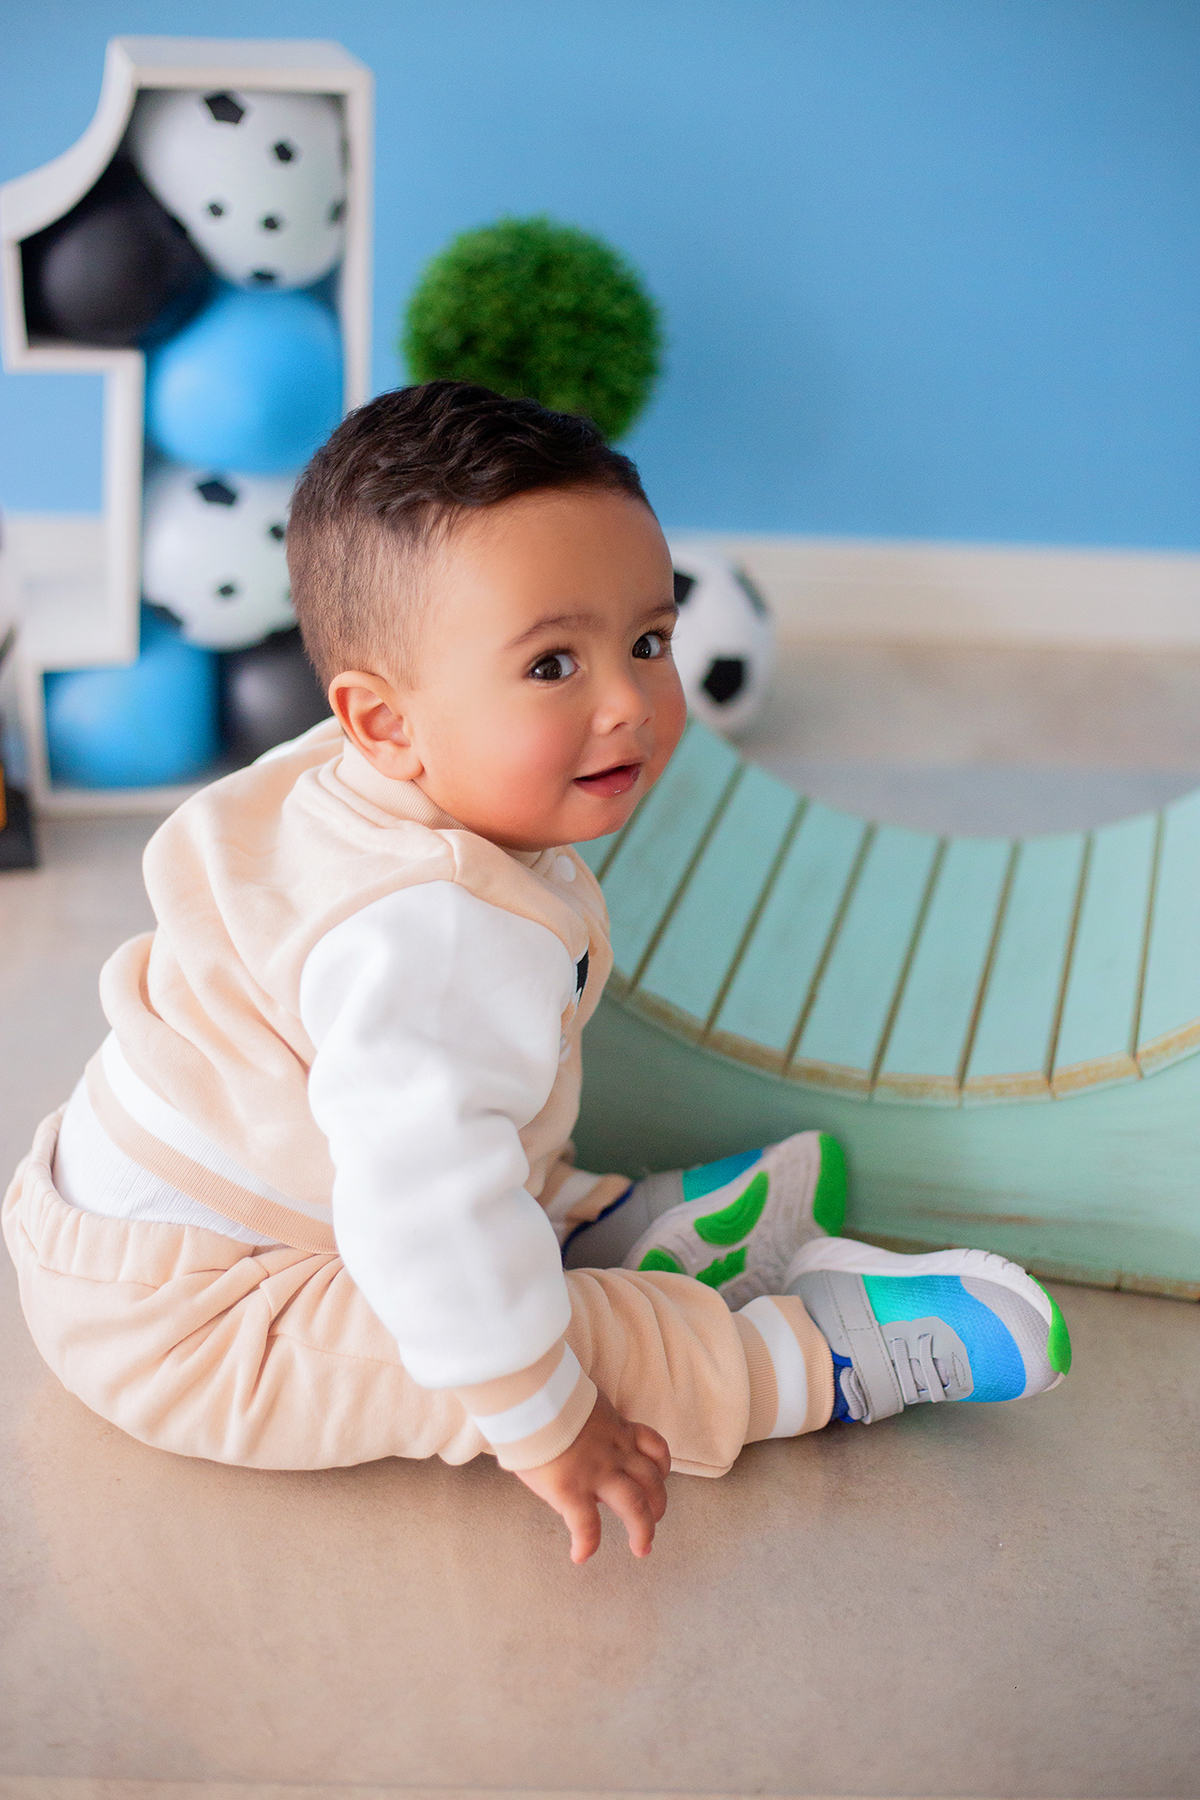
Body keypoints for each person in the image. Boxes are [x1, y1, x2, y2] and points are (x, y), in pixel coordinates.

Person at [2, 383, 1071, 1563]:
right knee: (485, 1342)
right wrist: (549, 1422)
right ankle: (819, 1353)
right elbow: (422, 1223)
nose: (629, 703)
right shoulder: (430, 933)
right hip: (190, 1317)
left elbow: (425, 1127)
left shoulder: (369, 778)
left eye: (648, 642)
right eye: (553, 664)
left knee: (458, 1126)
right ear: (386, 722)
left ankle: (601, 1218)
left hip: (141, 1203)